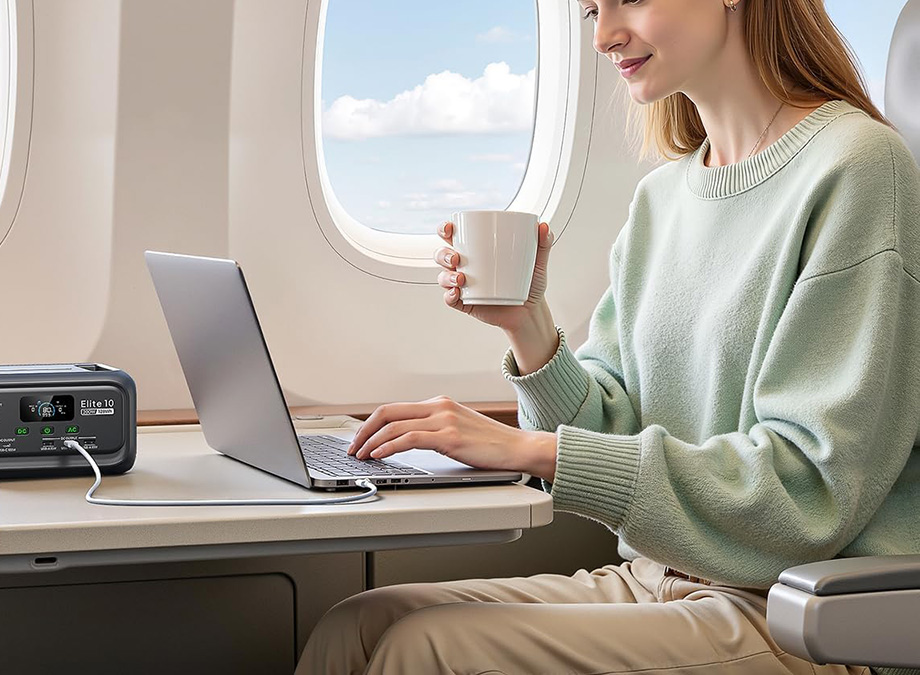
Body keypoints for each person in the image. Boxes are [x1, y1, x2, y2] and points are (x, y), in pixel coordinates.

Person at [296, 0, 920, 673]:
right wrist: (527, 323)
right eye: (593, 9)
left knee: (424, 649)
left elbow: (807, 492)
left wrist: (531, 450)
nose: (603, 36)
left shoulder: (858, 167)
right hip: (666, 578)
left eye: (629, 0)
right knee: (356, 626)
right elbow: (613, 421)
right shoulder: (664, 197)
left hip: (805, 612)